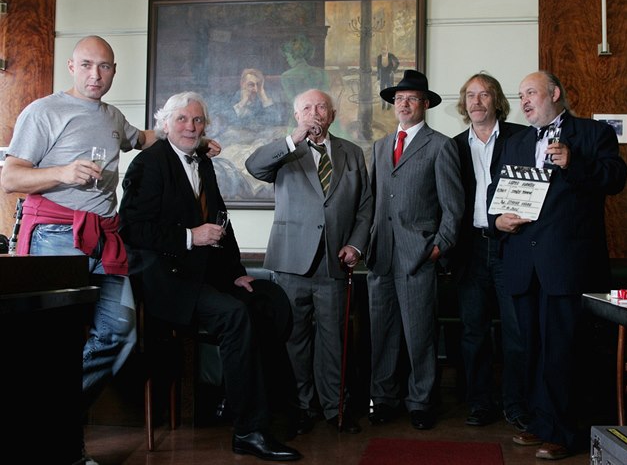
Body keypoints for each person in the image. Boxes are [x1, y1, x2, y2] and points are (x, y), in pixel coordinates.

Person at [118, 91, 302, 462]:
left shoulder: (202, 162)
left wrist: (237, 274)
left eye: (198, 120)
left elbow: (220, 222)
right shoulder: (148, 163)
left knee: (269, 302)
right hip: (165, 282)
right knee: (234, 316)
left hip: (204, 275)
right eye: (182, 119)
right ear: (165, 123)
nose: (190, 126)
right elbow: (132, 229)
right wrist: (189, 236)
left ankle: (271, 409)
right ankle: (248, 431)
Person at [0, 35, 157, 464]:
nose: (95, 74)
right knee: (54, 347)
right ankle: (61, 444)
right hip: (55, 235)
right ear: (71, 67)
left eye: (104, 66)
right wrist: (63, 173)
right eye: (87, 65)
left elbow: (143, 138)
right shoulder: (43, 111)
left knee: (120, 333)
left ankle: (48, 424)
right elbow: (10, 178)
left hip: (104, 239)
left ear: (113, 71)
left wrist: (190, 138)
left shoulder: (113, 116)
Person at [487, 71, 627, 460]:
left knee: (563, 351)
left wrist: (573, 162)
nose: (524, 101)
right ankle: (541, 422)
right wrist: (497, 221)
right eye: (521, 95)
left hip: (568, 264)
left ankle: (564, 432)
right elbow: (496, 193)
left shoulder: (593, 134)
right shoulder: (515, 142)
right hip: (523, 263)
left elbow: (616, 179)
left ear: (555, 93)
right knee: (531, 349)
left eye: (531, 93)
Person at [245, 89, 373, 435]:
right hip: (291, 262)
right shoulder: (286, 151)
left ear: (332, 115)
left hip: (335, 262)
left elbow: (365, 207)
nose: (315, 113)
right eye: (307, 108)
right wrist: (293, 139)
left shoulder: (351, 152)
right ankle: (301, 407)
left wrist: (356, 245)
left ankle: (335, 408)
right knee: (294, 340)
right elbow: (253, 166)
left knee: (334, 341)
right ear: (297, 115)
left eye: (321, 107)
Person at [366, 70, 464, 431]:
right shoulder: (380, 147)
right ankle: (384, 398)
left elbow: (453, 207)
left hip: (418, 257)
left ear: (425, 104)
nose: (403, 104)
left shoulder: (440, 145)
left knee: (420, 335)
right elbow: (372, 201)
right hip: (381, 256)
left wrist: (438, 247)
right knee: (382, 334)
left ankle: (422, 401)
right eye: (399, 99)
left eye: (411, 98)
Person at [451, 72, 528, 430]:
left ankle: (517, 404)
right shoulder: (453, 146)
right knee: (473, 332)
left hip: (512, 246)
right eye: (470, 95)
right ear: (464, 103)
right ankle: (480, 403)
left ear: (497, 100)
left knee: (516, 330)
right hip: (471, 248)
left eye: (484, 94)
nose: (477, 101)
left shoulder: (521, 137)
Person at [376, 46, 400, 110]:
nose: (383, 51)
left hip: (389, 75)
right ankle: (383, 104)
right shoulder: (379, 57)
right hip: (382, 76)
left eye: (385, 49)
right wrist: (378, 77)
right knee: (382, 90)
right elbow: (378, 67)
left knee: (389, 90)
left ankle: (389, 104)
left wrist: (393, 70)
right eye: (382, 49)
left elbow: (397, 62)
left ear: (387, 50)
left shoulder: (391, 56)